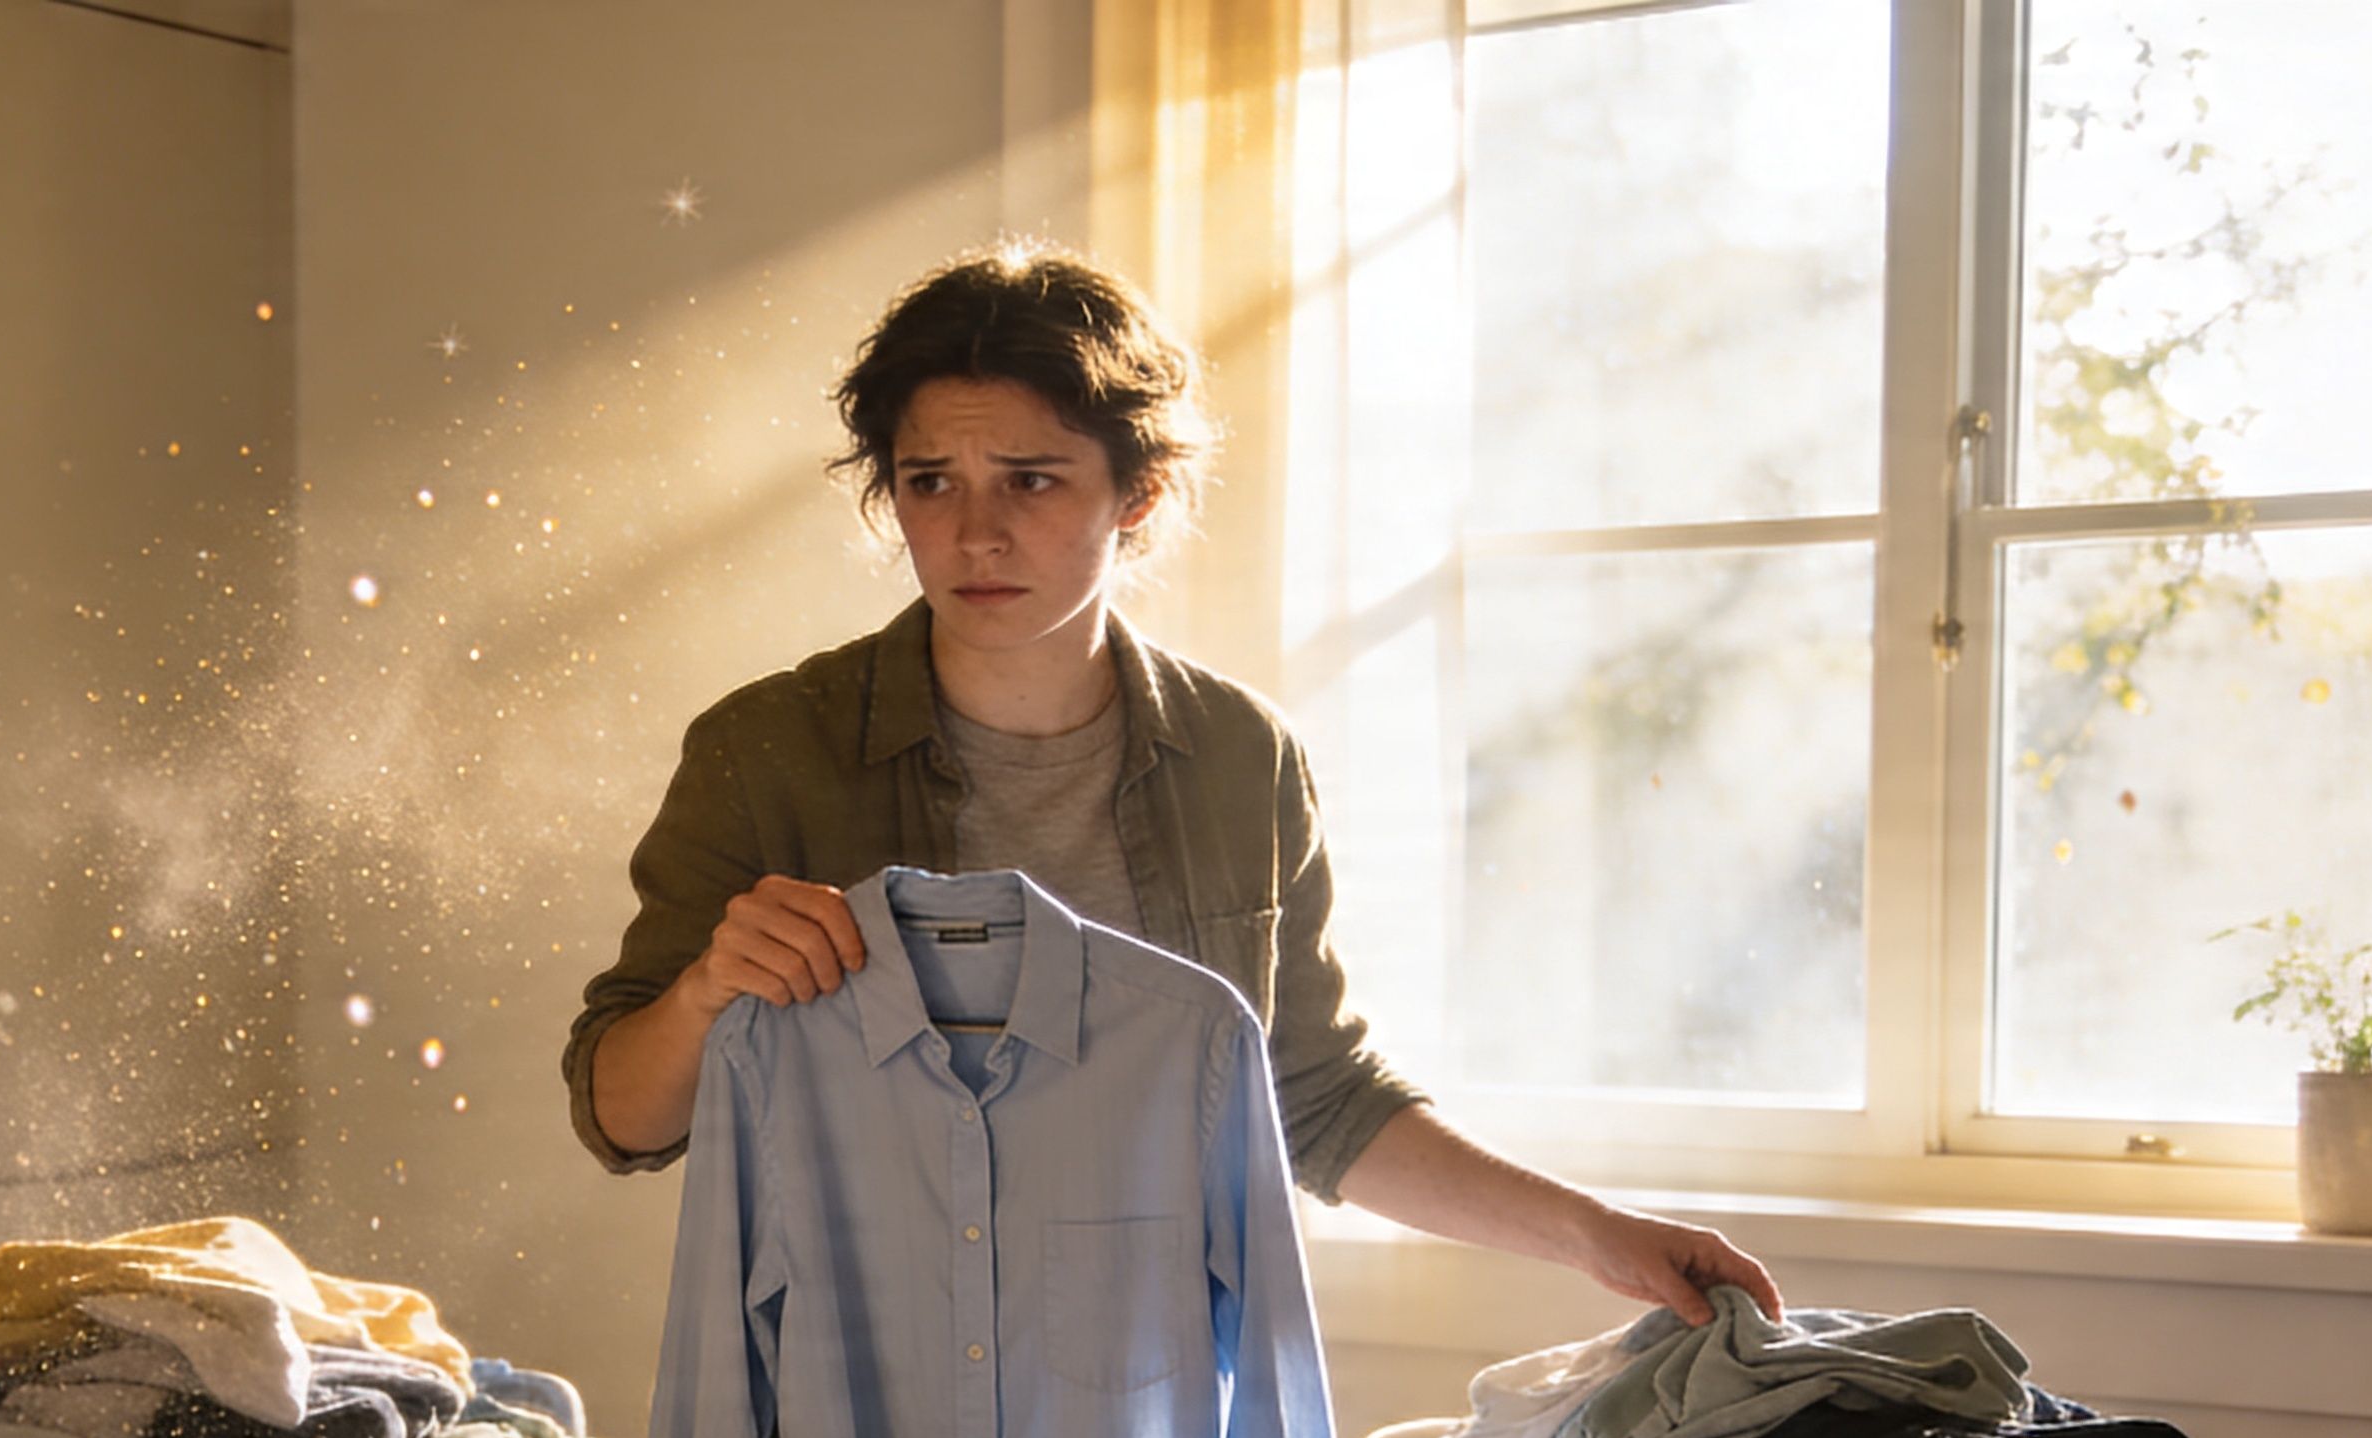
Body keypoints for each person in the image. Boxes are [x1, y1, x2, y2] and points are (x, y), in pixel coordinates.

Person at [566, 248, 1780, 1328]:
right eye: (930, 481)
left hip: (1150, 1398)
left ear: (1134, 496)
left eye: (1031, 480)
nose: (975, 534)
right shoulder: (766, 748)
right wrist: (705, 993)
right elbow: (623, 1117)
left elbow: (1308, 1098)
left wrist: (1597, 1236)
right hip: (847, 1406)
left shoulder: (1241, 759)